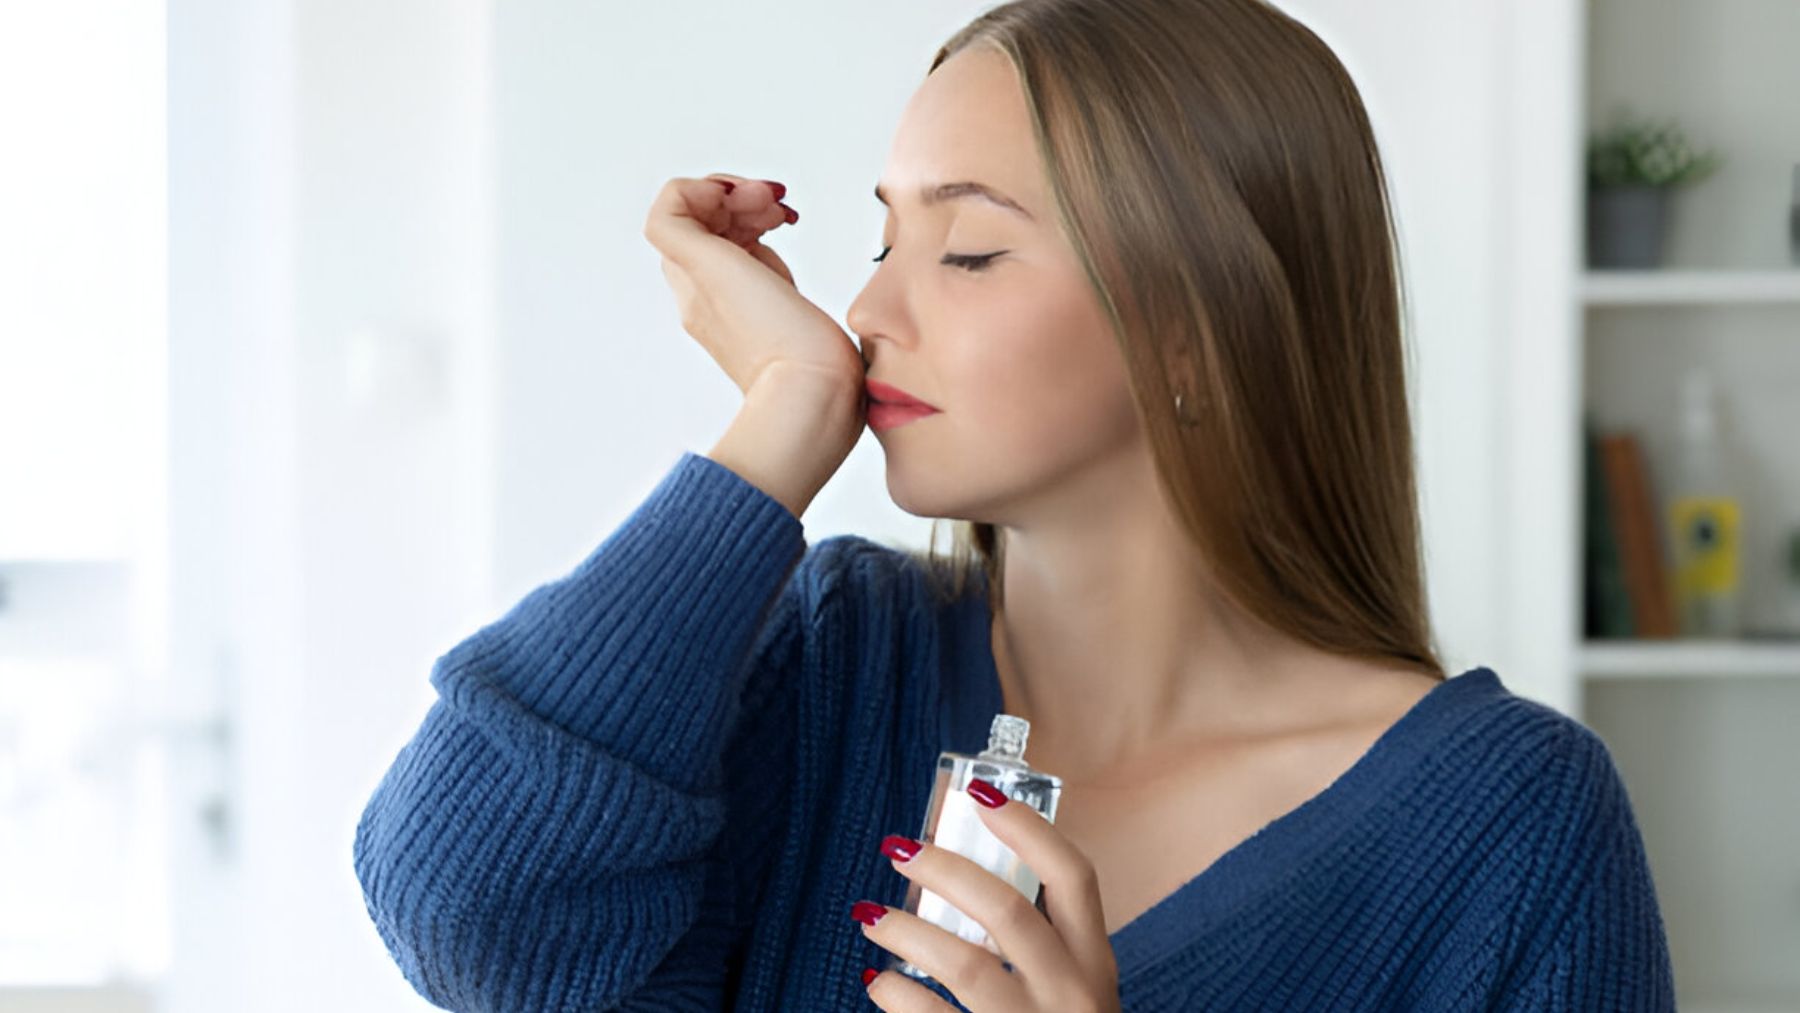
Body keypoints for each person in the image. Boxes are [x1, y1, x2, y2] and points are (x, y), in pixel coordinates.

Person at [354, 0, 1677, 1009]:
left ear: (1194, 335)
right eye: (885, 239)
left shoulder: (1517, 831)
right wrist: (775, 425)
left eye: (970, 247)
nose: (865, 313)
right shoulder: (829, 663)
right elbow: (470, 905)